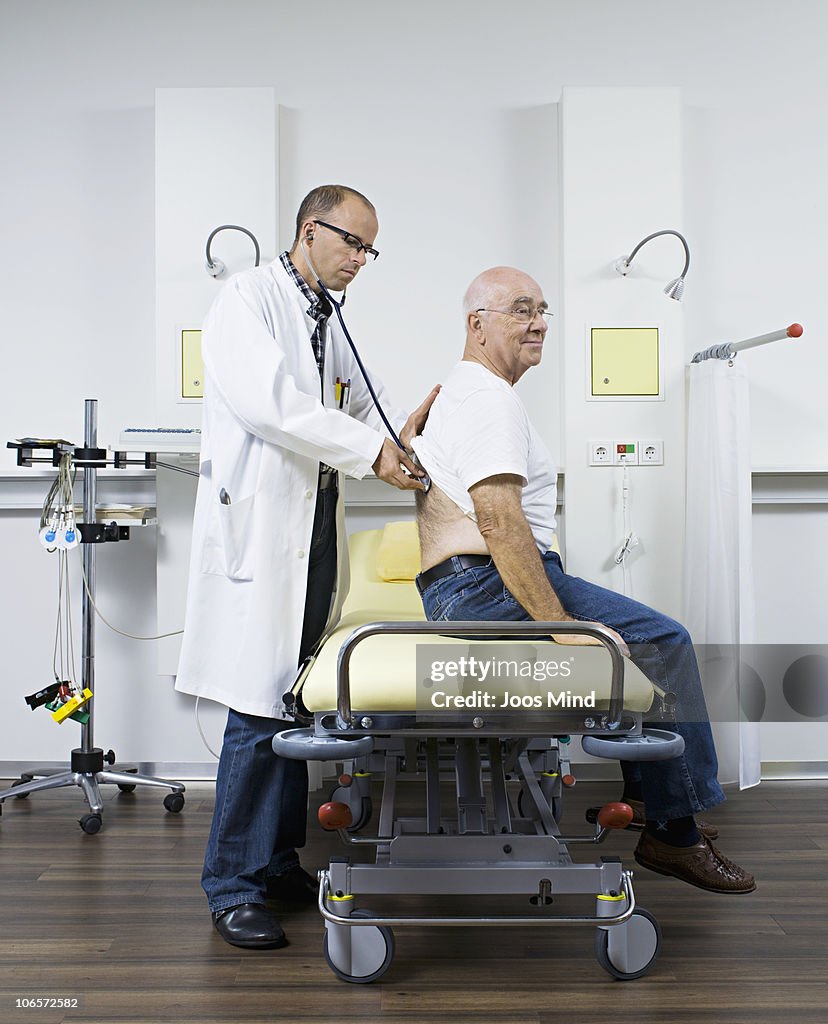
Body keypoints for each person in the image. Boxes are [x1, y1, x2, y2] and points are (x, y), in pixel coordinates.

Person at [411, 265, 755, 895]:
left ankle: (656, 805)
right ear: (476, 323)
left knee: (645, 641)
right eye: (520, 309)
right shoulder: (488, 398)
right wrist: (558, 626)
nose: (539, 322)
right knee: (666, 641)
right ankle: (675, 833)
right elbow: (499, 521)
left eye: (542, 309)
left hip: (462, 585)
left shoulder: (463, 394)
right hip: (485, 585)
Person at [176, 185, 437, 949]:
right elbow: (273, 405)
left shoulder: (326, 315)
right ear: (308, 229)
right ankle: (232, 886)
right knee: (258, 709)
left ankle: (277, 861)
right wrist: (374, 451)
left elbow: (361, 401)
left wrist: (411, 431)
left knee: (295, 702)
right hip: (263, 530)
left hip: (314, 526)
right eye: (352, 242)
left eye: (369, 249)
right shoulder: (247, 298)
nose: (360, 260)